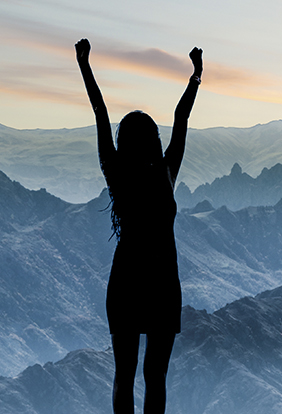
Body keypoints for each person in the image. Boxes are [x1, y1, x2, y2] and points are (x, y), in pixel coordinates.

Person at [76, 38, 201, 414]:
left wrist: (84, 64)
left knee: (124, 374)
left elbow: (99, 112)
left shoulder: (116, 173)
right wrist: (195, 77)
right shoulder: (166, 171)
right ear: (154, 141)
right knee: (154, 376)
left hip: (127, 281)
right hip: (163, 282)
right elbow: (182, 119)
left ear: (123, 142)